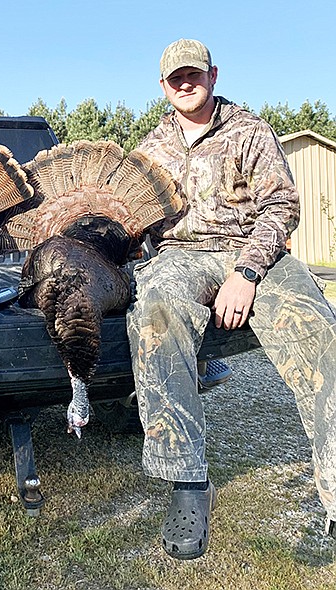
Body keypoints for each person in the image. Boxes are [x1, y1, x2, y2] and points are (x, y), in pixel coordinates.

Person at [126, 38, 336, 560]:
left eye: (193, 74)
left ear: (213, 76)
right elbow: (131, 221)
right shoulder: (148, 151)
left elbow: (282, 205)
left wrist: (245, 271)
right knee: (154, 314)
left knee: (320, 332)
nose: (184, 83)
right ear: (162, 86)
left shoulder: (249, 130)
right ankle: (188, 482)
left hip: (254, 253)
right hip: (180, 256)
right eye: (175, 77)